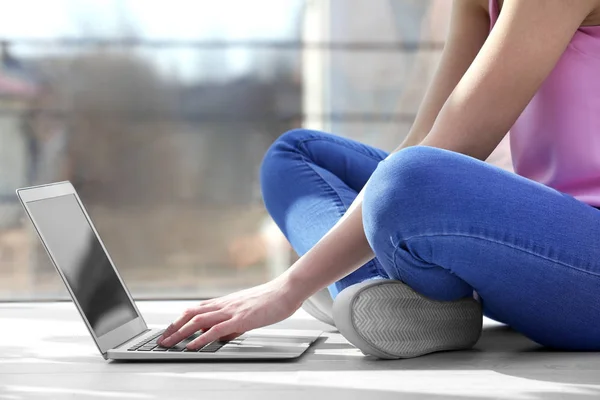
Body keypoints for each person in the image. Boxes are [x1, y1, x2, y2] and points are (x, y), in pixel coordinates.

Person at [158, 0, 600, 359]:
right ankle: (390, 300)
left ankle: (373, 292)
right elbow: (425, 139)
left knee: (409, 181)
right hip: (538, 249)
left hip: (584, 258)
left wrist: (288, 287)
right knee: (296, 154)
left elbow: (455, 144)